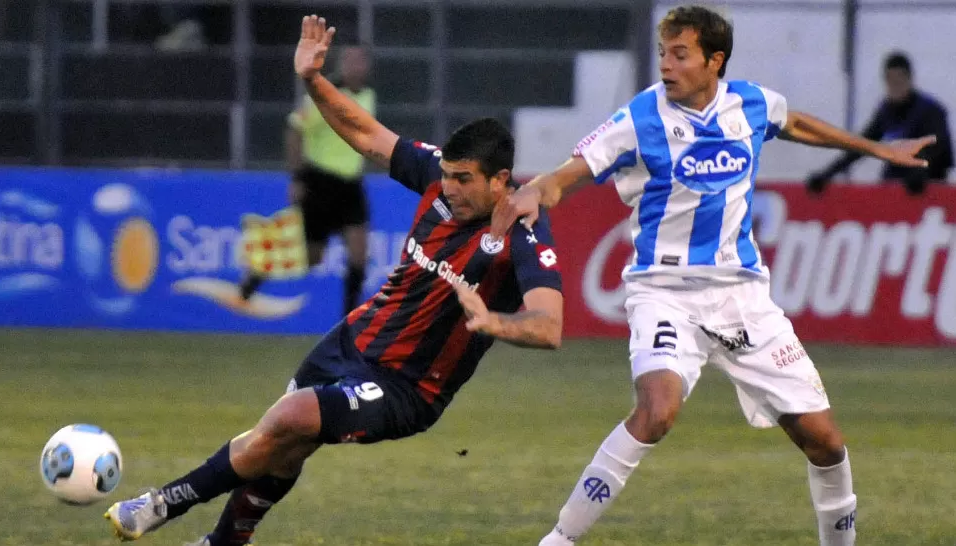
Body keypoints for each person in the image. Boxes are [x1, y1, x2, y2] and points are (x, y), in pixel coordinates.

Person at [104, 15, 564, 546]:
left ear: (500, 181)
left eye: (464, 181)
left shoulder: (525, 235)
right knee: (282, 442)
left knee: (289, 419)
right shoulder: (442, 179)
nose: (450, 189)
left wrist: (492, 321)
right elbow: (367, 134)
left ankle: (162, 503)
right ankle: (224, 542)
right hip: (354, 338)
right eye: (447, 177)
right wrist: (312, 80)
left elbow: (550, 326)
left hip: (408, 386)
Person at [490, 6, 934, 546]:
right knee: (657, 411)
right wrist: (539, 190)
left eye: (680, 55)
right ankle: (557, 541)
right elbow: (571, 172)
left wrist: (877, 149)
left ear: (713, 61)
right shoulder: (641, 117)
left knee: (825, 443)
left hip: (743, 297)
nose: (667, 66)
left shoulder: (749, 104)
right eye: (662, 54)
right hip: (663, 291)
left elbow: (794, 122)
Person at [239, 45, 376, 317]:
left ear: (367, 67)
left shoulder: (370, 96)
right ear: (341, 64)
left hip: (351, 186)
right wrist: (298, 177)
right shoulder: (323, 94)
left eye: (359, 61)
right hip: (320, 181)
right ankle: (258, 273)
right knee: (310, 257)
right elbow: (295, 130)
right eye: (349, 61)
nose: (354, 67)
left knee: (359, 254)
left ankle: (347, 322)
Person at [807, 51, 953, 195]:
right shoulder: (886, 112)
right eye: (890, 81)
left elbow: (940, 149)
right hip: (897, 182)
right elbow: (861, 146)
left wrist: (922, 172)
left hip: (927, 186)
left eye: (900, 80)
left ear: (909, 80)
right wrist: (827, 174)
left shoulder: (930, 111)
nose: (895, 86)